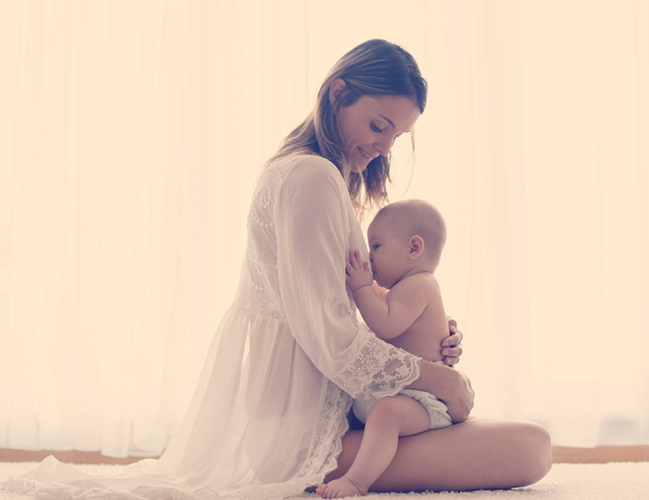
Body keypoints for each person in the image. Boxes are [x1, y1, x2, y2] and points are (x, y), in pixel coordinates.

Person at [1, 39, 551, 499]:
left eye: (396, 137)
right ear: (338, 93)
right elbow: (330, 340)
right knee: (529, 447)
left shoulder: (316, 174)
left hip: (318, 402)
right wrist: (440, 380)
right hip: (299, 421)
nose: (384, 148)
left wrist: (425, 337)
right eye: (378, 125)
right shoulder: (311, 178)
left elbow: (334, 313)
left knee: (525, 440)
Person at [317, 199, 454, 498]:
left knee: (386, 414)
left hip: (422, 399)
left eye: (376, 246)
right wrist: (371, 289)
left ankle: (356, 481)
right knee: (374, 411)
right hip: (396, 391)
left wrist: (362, 288)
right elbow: (385, 303)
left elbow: (386, 324)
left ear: (413, 248)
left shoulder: (421, 285)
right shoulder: (404, 289)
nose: (369, 255)